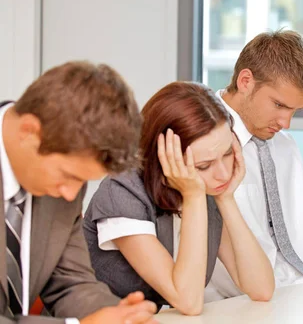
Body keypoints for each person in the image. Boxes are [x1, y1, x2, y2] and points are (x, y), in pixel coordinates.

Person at [83, 82, 274, 315]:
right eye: (203, 165)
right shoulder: (121, 193)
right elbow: (189, 302)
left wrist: (226, 199)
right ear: (164, 159)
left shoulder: (210, 189)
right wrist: (193, 197)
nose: (223, 173)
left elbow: (261, 289)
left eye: (226, 154)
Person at [0, 61, 157, 323]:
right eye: (68, 175)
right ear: (29, 132)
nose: (72, 195)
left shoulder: (64, 185)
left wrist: (117, 316)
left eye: (82, 181)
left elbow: (71, 283)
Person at [206, 29, 303, 300]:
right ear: (246, 81)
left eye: (294, 110)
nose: (286, 122)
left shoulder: (285, 146)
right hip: (239, 305)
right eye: (279, 105)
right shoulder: (204, 145)